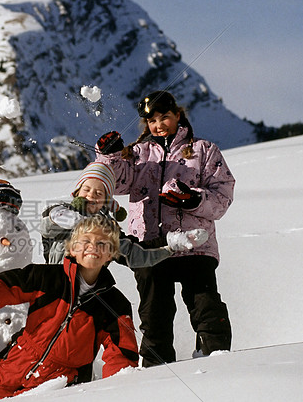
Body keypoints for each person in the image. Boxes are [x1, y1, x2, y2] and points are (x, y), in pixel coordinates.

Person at [0, 215, 139, 402]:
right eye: (85, 241)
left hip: (61, 384)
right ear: (72, 248)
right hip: (12, 365)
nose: (92, 247)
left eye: (102, 243)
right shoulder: (46, 278)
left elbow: (121, 355)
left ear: (111, 253)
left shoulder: (115, 304)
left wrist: (116, 396)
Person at [96, 90, 235, 364]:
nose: (159, 125)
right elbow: (116, 181)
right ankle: (156, 370)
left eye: (165, 117)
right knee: (154, 314)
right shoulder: (137, 154)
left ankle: (218, 359)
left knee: (205, 304)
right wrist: (109, 156)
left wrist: (193, 199)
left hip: (195, 246)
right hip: (149, 248)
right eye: (152, 121)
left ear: (178, 115)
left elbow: (223, 197)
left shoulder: (203, 151)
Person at [40, 161, 208, 266]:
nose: (91, 195)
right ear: (77, 192)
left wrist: (171, 244)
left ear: (107, 201)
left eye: (99, 194)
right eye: (86, 190)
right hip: (57, 283)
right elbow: (47, 226)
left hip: (90, 288)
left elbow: (134, 255)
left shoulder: (107, 229)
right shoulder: (62, 211)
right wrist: (84, 224)